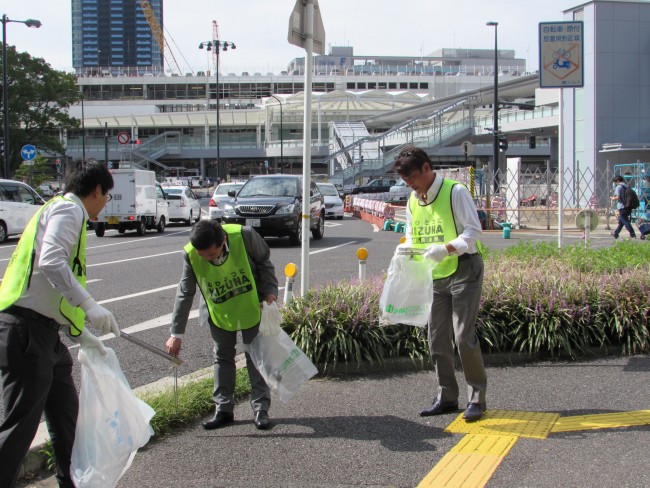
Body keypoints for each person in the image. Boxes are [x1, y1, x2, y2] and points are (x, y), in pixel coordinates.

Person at [0, 161, 120, 488]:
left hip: (45, 335)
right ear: (96, 191)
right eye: (106, 196)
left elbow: (53, 289)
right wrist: (88, 304)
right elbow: (51, 262)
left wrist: (81, 334)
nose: (105, 202)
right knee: (18, 429)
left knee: (67, 418)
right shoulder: (70, 211)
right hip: (26, 332)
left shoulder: (61, 209)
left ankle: (72, 482)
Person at [392, 147, 487, 422]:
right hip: (433, 274)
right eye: (405, 180)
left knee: (462, 336)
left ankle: (477, 398)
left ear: (426, 168)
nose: (410, 183)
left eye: (412, 177)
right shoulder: (413, 199)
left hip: (464, 270)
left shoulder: (454, 192)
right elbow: (411, 232)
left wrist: (447, 248)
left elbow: (474, 231)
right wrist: (406, 248)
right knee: (436, 337)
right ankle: (446, 395)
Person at [165, 219, 278, 430]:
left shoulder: (244, 236)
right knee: (222, 356)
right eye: (202, 255)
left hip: (251, 304)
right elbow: (185, 292)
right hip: (219, 310)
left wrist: (270, 290)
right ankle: (223, 409)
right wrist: (176, 333)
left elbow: (264, 262)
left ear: (223, 240)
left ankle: (261, 409)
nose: (207, 259)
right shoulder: (190, 254)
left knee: (256, 356)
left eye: (211, 254)